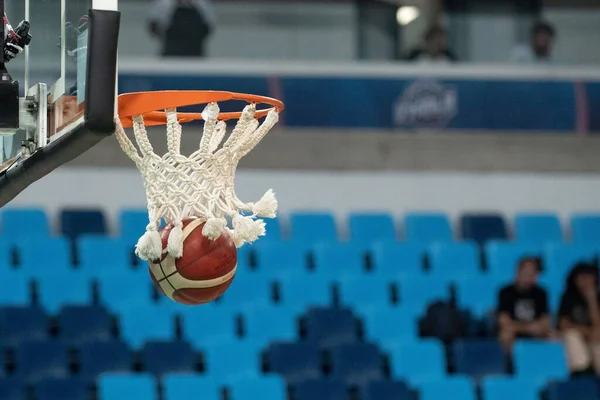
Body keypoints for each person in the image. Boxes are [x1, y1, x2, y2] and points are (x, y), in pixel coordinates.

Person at [497, 257, 551, 351]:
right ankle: (509, 364)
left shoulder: (541, 293)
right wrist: (528, 328)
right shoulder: (505, 292)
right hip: (516, 331)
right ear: (518, 271)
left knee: (554, 337)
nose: (529, 275)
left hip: (535, 331)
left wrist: (536, 328)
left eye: (533, 272)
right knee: (506, 334)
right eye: (526, 271)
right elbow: (504, 321)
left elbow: (545, 322)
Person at [558, 263, 600, 376]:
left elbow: (597, 328)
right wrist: (585, 331)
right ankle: (582, 372)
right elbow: (563, 324)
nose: (585, 281)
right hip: (578, 336)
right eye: (581, 278)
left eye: (588, 277)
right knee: (571, 336)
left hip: (593, 339)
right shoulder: (568, 297)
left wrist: (592, 300)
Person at [148, 0, 216, 57]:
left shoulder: (204, 5)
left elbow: (209, 28)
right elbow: (153, 27)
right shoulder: (163, 5)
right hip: (169, 57)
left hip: (197, 58)